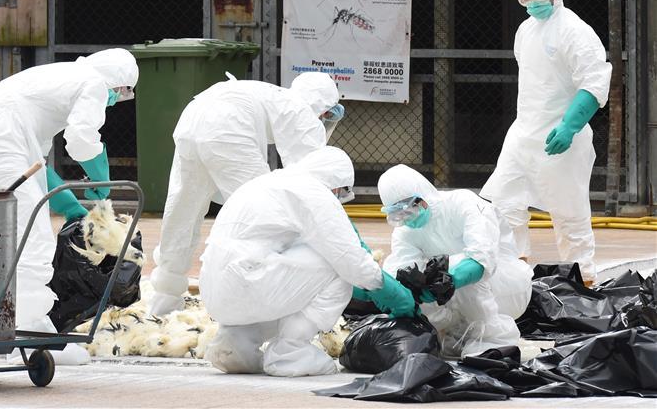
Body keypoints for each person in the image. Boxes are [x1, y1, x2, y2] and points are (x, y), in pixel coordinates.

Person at [0, 48, 138, 334]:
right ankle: (34, 332)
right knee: (32, 242)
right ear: (118, 83)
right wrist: (102, 181)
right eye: (120, 94)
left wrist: (70, 205)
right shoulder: (94, 84)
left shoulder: (56, 80)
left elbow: (34, 167)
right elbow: (82, 140)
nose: (113, 102)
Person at [199, 147, 416, 377]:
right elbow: (351, 261)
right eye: (341, 193)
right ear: (336, 183)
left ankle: (234, 345)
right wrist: (391, 292)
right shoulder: (315, 192)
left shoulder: (267, 183)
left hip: (215, 292)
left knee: (287, 265)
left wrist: (364, 291)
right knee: (338, 266)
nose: (339, 199)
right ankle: (290, 354)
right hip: (251, 281)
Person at [149, 72, 344, 316]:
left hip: (192, 119)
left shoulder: (270, 95)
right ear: (324, 107)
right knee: (264, 213)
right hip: (228, 127)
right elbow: (310, 177)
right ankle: (256, 301)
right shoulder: (300, 111)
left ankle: (164, 297)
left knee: (183, 208)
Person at [480, 0, 612, 286]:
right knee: (504, 203)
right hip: (523, 132)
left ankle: (583, 278)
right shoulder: (525, 31)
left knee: (569, 211)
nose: (532, 3)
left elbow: (594, 82)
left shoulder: (575, 31)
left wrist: (570, 125)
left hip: (560, 135)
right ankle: (514, 272)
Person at [378, 164, 532, 357]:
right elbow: (400, 268)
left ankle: (494, 338)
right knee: (408, 282)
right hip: (459, 295)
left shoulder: (463, 203)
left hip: (506, 286)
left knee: (453, 266)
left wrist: (450, 279)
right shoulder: (405, 231)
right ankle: (455, 334)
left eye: (408, 211)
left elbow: (482, 258)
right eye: (398, 216)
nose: (405, 220)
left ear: (422, 199)